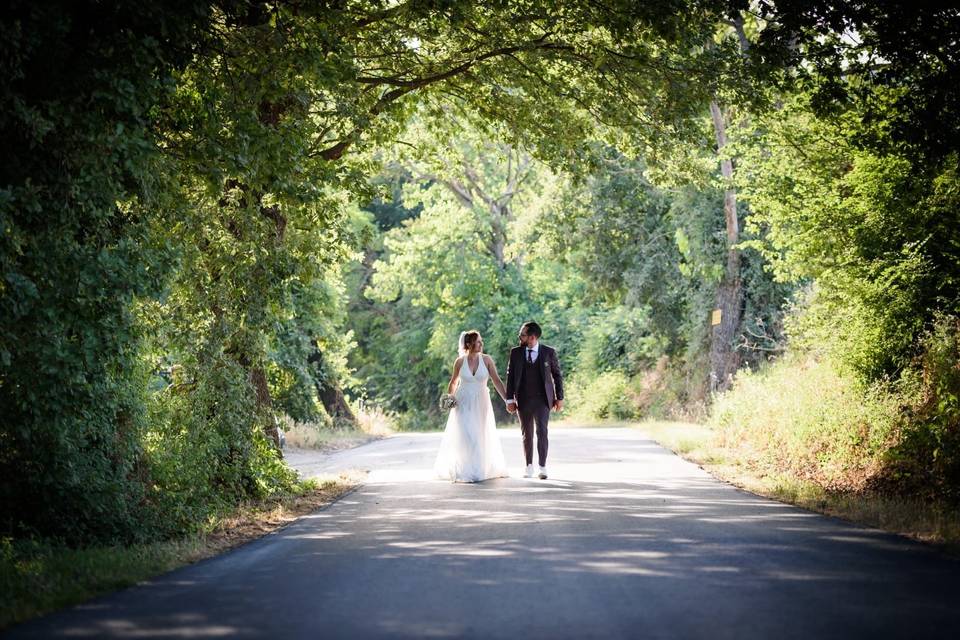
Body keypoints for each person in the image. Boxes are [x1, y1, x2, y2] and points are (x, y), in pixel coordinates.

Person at [434, 330, 510, 482]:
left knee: (479, 434)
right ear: (468, 344)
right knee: (468, 435)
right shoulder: (460, 362)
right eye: (478, 341)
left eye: (481, 341)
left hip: (482, 402)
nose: (481, 344)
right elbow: (453, 382)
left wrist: (508, 400)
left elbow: (496, 381)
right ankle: (467, 469)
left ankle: (479, 469)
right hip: (463, 402)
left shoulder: (487, 360)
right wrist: (449, 402)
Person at [505, 321, 564, 479]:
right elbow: (510, 377)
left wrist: (560, 398)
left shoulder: (548, 352)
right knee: (527, 434)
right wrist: (509, 400)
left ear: (532, 337)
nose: (520, 337)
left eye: (522, 334)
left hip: (543, 399)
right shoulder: (516, 353)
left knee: (542, 431)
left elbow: (557, 375)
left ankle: (542, 467)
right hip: (523, 399)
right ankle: (529, 466)